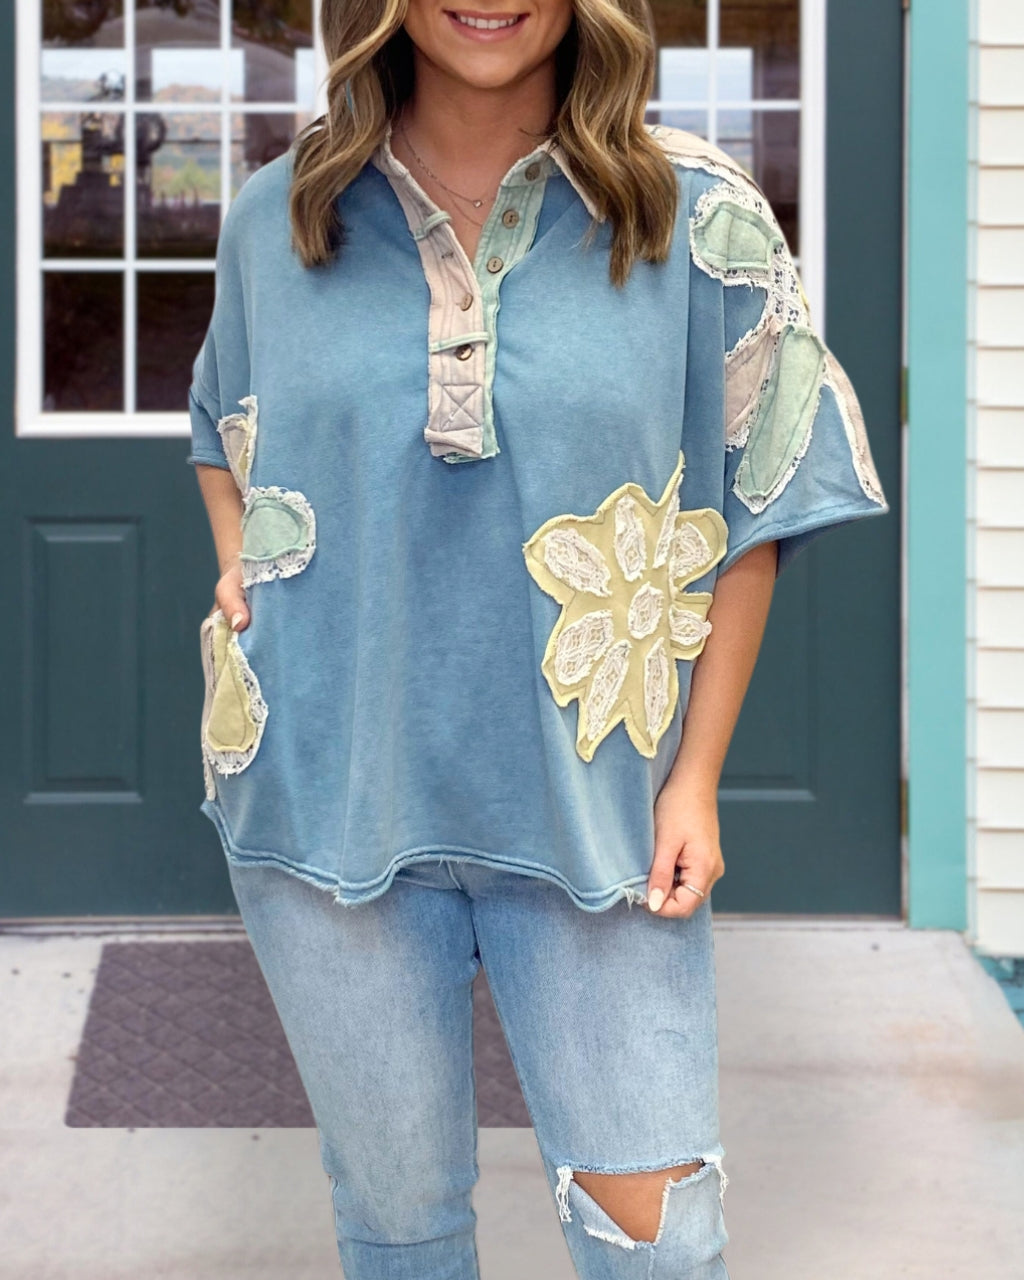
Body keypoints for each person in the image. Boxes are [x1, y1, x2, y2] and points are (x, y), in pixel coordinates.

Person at [187, 0, 889, 1275]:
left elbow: (759, 498)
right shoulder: (279, 214)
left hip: (598, 814)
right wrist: (243, 561)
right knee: (397, 1231)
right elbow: (216, 425)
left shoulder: (691, 211)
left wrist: (695, 776)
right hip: (326, 801)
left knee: (660, 1248)